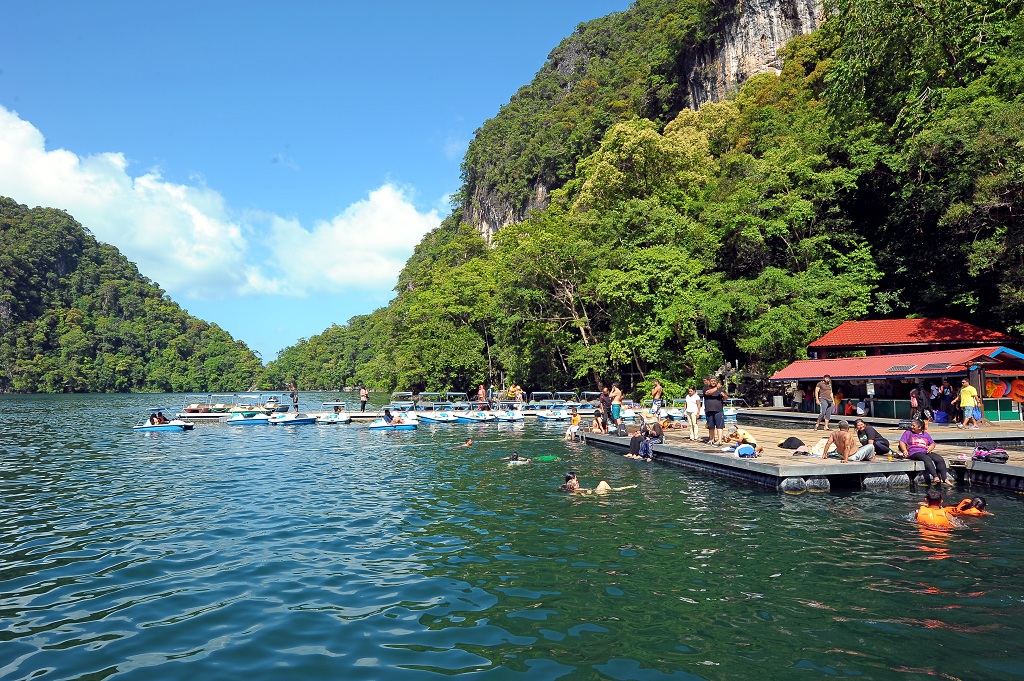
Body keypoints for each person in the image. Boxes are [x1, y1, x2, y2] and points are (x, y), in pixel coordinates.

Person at [899, 419, 951, 484]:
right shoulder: (908, 432)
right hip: (914, 452)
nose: (911, 427)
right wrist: (904, 450)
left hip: (925, 451)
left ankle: (944, 478)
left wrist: (931, 447)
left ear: (919, 427)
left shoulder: (925, 434)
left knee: (939, 459)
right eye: (911, 425)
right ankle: (935, 476)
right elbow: (902, 442)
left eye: (913, 425)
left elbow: (932, 443)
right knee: (926, 458)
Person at [559, 471, 637, 495]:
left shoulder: (564, 487)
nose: (578, 481)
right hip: (595, 494)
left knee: (612, 489)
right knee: (604, 484)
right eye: (576, 480)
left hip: (593, 492)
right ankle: (629, 487)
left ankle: (628, 487)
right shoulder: (577, 490)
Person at [703, 378, 727, 445]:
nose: (713, 382)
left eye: (714, 381)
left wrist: (724, 395)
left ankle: (719, 441)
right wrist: (717, 387)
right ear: (709, 382)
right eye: (712, 381)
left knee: (720, 426)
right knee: (711, 426)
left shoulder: (720, 389)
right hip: (709, 410)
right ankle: (711, 440)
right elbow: (708, 393)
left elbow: (725, 399)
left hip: (719, 410)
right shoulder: (706, 388)